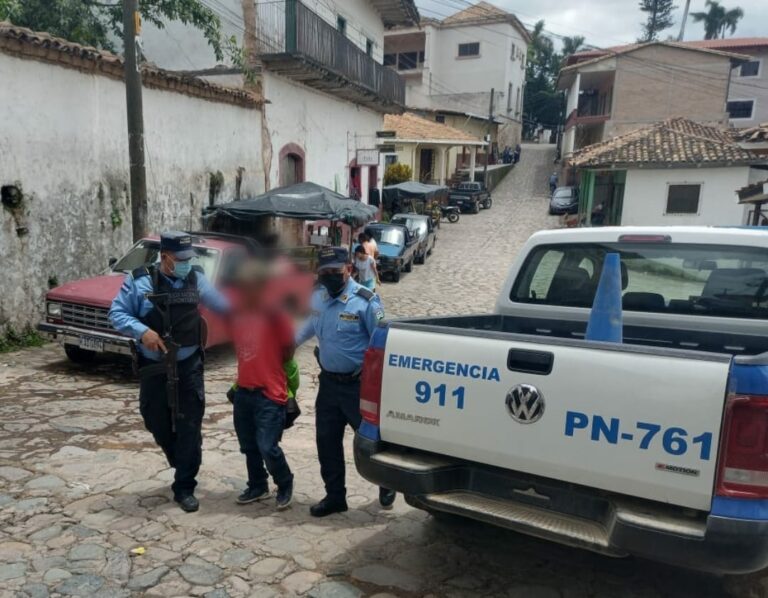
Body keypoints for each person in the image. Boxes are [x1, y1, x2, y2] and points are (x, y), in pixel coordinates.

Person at [109, 231, 229, 512]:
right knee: (155, 419)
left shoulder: (196, 278)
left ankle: (184, 485)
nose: (186, 263)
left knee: (190, 422)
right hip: (154, 365)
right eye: (181, 259)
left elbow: (225, 307)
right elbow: (117, 313)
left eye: (189, 259)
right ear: (165, 257)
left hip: (188, 365)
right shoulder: (140, 281)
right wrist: (142, 331)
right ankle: (182, 458)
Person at [295, 247, 395, 517]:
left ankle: (386, 482)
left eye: (335, 271)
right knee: (326, 441)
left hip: (358, 387)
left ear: (349, 269)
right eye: (324, 272)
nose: (329, 276)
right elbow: (306, 329)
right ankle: (335, 496)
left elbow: (381, 344)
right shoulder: (318, 298)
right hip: (328, 385)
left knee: (370, 440)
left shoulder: (366, 302)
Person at [228, 260, 295, 510]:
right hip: (244, 392)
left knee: (267, 446)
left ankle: (284, 482)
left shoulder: (276, 315)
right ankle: (257, 485)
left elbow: (288, 349)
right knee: (248, 446)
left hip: (269, 393)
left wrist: (269, 367)